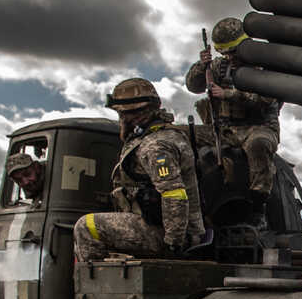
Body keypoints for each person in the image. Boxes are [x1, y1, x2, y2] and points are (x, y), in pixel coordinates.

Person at [73, 77, 206, 262]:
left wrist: (173, 244)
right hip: (168, 227)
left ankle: (93, 283)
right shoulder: (158, 135)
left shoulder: (156, 145)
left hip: (169, 234)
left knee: (86, 226)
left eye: (122, 113)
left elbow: (174, 195)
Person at [185, 16, 282, 214]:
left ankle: (258, 202)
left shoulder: (263, 66)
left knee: (259, 145)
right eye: (225, 53)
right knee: (181, 134)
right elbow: (193, 86)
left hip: (257, 128)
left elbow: (268, 98)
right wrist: (201, 66)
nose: (229, 57)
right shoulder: (219, 66)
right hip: (223, 129)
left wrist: (228, 94)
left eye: (232, 51)